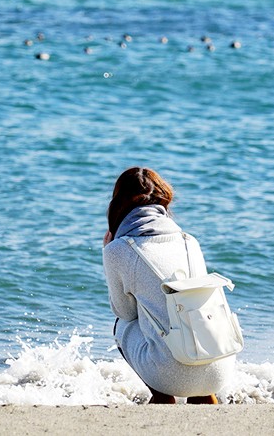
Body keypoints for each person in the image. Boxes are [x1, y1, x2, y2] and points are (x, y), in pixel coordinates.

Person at [102, 167, 235, 404]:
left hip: (169, 376)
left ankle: (163, 397)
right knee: (190, 313)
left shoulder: (118, 250)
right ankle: (204, 396)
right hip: (220, 368)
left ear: (119, 204)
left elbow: (124, 312)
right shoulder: (189, 241)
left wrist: (107, 250)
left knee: (121, 325)